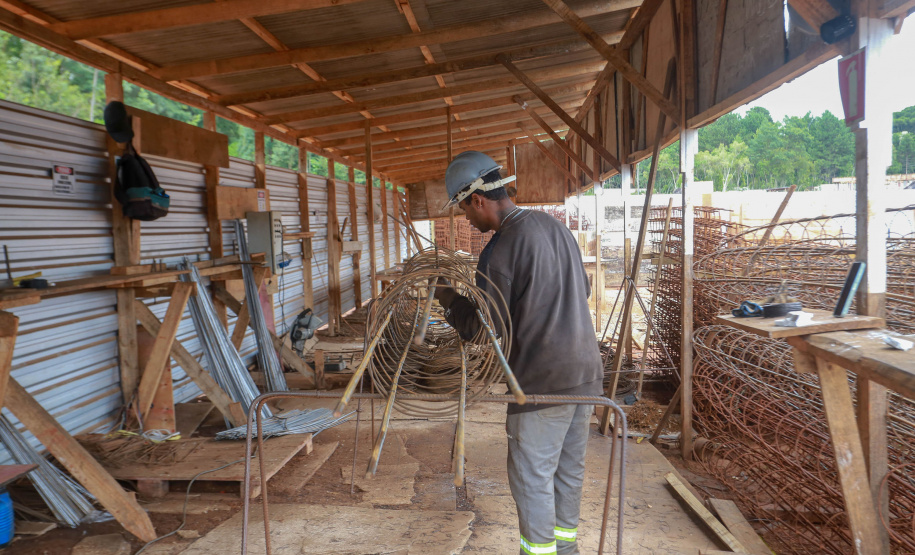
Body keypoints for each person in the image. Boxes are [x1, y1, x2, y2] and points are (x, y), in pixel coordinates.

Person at [433, 151, 604, 555]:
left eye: (462, 209)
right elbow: (583, 290)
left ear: (477, 200)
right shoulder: (554, 226)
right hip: (586, 373)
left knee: (532, 479)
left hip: (543, 382)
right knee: (567, 472)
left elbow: (483, 329)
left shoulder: (502, 248)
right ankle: (567, 550)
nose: (466, 220)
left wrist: (448, 298)